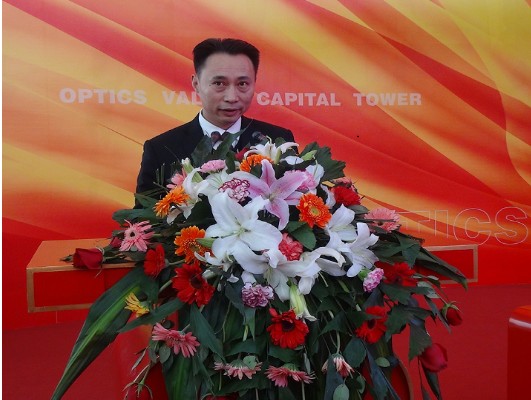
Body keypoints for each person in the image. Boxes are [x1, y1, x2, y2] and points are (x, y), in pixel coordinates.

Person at [135, 38, 295, 197]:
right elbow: (145, 212)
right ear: (196, 84)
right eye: (219, 83)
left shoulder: (277, 141)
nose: (232, 97)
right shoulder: (160, 149)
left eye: (242, 84)